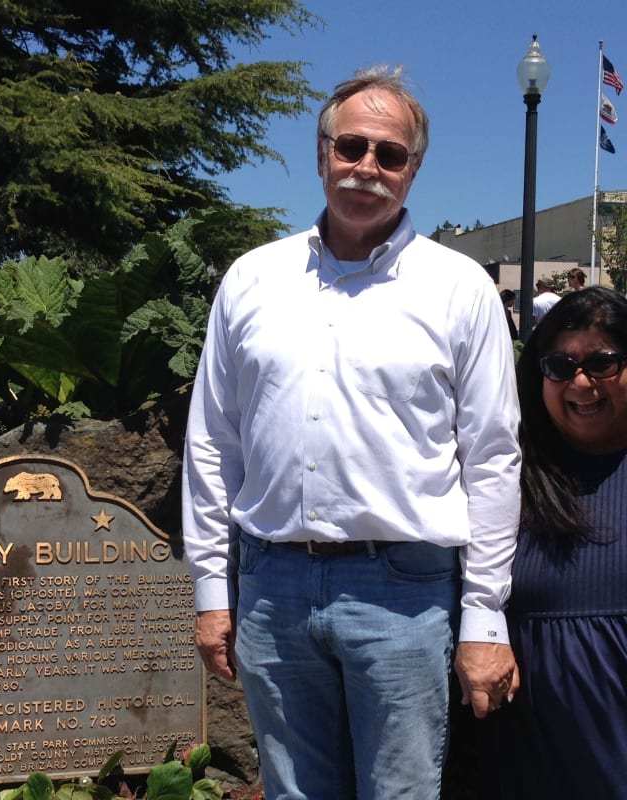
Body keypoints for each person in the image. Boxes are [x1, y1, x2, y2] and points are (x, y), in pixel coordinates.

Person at [182, 65, 521, 800]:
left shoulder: (459, 290)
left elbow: (493, 459)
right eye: (352, 147)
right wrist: (213, 586)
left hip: (404, 588)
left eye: (389, 155)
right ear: (322, 152)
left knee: (400, 792)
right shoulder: (251, 280)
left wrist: (484, 618)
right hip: (271, 584)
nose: (368, 167)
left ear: (413, 169)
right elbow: (214, 440)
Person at [481, 286, 627, 799]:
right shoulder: (504, 478)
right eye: (560, 366)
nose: (581, 382)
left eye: (603, 363)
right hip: (525, 757)